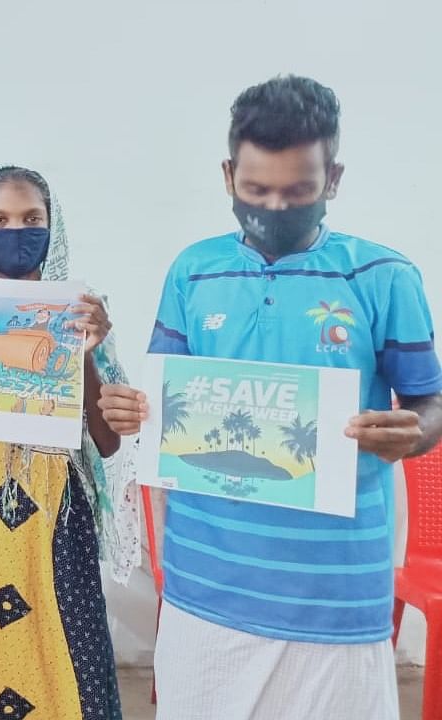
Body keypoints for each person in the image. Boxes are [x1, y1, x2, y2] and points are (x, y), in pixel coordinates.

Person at [99, 75, 442, 720]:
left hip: (335, 593)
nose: (274, 208)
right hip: (208, 590)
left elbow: (431, 406)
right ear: (228, 175)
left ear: (333, 179)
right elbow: (163, 402)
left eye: (299, 191)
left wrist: (413, 432)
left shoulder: (383, 277)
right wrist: (128, 409)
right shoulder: (193, 271)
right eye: (256, 191)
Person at [0, 165, 140, 720]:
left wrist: (89, 351)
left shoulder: (82, 310)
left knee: (67, 640)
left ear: (53, 226)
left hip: (54, 512)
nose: (15, 231)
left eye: (30, 219)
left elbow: (107, 443)